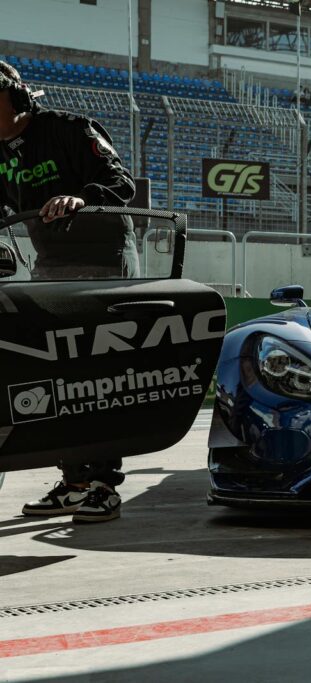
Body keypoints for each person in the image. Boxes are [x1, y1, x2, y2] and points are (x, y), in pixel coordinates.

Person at [0, 60, 137, 521]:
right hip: (50, 265)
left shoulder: (69, 129)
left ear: (16, 98)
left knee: (96, 375)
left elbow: (123, 183)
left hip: (103, 261)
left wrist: (82, 197)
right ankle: (74, 480)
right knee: (57, 376)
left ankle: (102, 484)